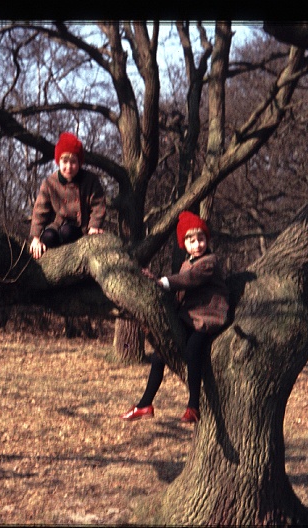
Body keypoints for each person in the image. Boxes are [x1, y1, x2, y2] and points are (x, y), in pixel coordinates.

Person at [120, 211, 229, 423]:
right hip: (188, 317)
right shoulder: (186, 263)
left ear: (207, 240)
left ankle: (193, 406)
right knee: (159, 354)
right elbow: (180, 286)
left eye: (201, 239)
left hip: (207, 318)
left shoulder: (209, 262)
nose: (197, 245)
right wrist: (156, 282)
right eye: (191, 241)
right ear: (184, 244)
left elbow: (189, 279)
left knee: (192, 352)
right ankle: (145, 404)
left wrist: (165, 282)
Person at [29, 132, 106, 259]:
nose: (69, 167)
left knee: (68, 232)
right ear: (58, 161)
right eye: (65, 162)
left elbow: (98, 205)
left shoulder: (90, 180)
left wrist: (94, 226)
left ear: (80, 162)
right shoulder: (50, 183)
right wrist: (36, 237)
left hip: (80, 227)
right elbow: (40, 211)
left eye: (73, 162)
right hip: (56, 225)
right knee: (48, 237)